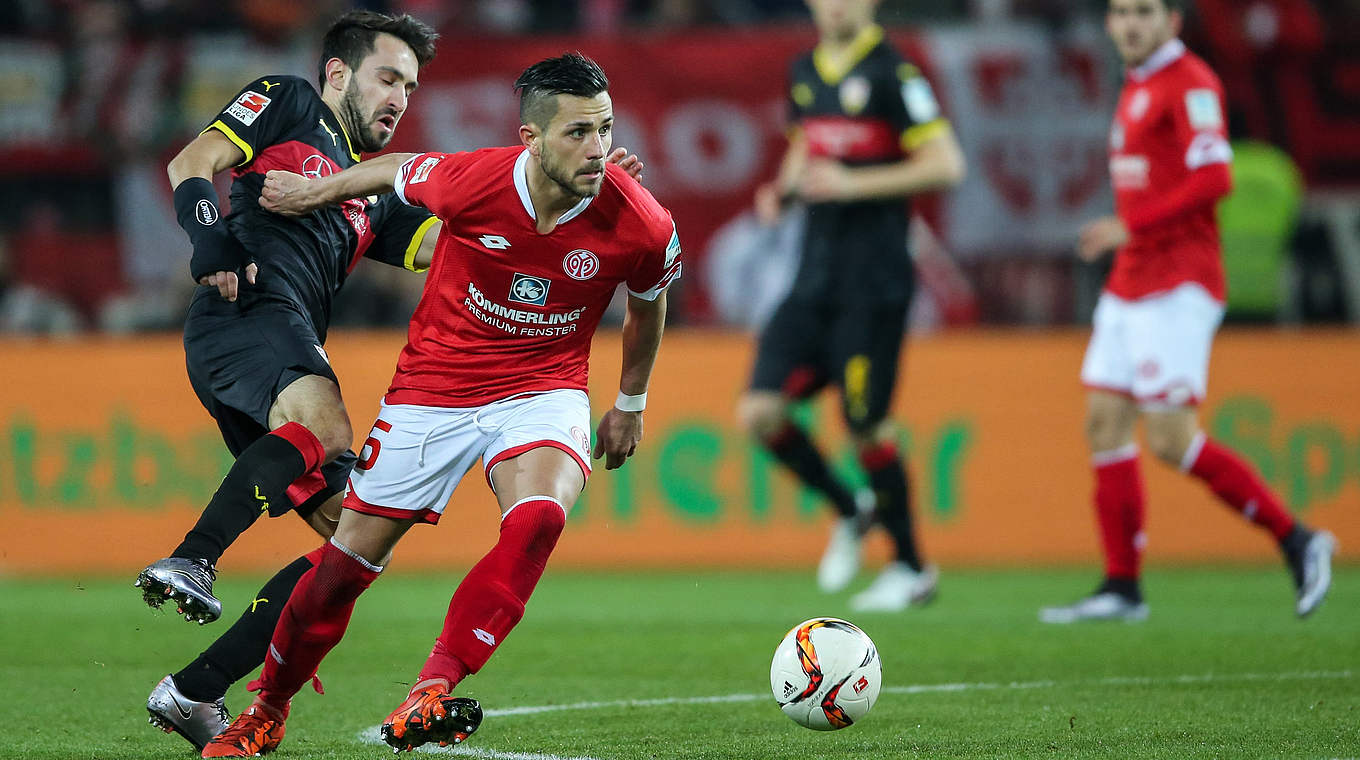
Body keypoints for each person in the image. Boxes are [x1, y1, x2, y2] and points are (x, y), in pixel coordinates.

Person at [201, 52, 680, 757]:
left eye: (605, 129)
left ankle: (433, 689)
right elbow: (397, 168)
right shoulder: (475, 179)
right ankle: (266, 709)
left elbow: (648, 306)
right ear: (532, 139)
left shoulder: (641, 221)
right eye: (577, 132)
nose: (598, 149)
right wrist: (315, 193)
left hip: (543, 389)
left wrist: (630, 401)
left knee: (540, 516)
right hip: (434, 391)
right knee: (342, 570)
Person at [1039, 0, 1335, 624]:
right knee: (1103, 423)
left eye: (1144, 12)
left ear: (1173, 22)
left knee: (1171, 439)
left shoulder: (1192, 83)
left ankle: (1298, 539)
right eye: (1120, 12)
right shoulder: (1138, 83)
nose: (1129, 24)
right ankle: (1122, 587)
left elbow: (1215, 178)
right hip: (1131, 281)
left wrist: (1130, 225)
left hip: (1179, 281)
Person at [738, 0, 965, 611]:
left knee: (866, 428)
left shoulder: (898, 74)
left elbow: (947, 164)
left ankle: (913, 569)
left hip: (874, 285)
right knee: (760, 412)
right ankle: (852, 509)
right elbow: (803, 145)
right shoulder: (805, 71)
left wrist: (852, 183)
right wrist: (783, 189)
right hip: (813, 283)